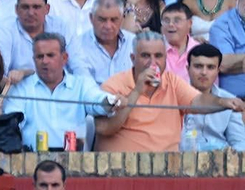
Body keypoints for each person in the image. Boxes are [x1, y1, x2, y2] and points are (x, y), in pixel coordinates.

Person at [97, 31, 245, 150]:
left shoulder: (172, 82)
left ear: (166, 59)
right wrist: (136, 91)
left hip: (167, 171)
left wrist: (223, 101)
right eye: (145, 56)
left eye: (158, 56)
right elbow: (105, 129)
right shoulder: (113, 85)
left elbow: (198, 101)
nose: (152, 62)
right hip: (121, 171)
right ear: (132, 58)